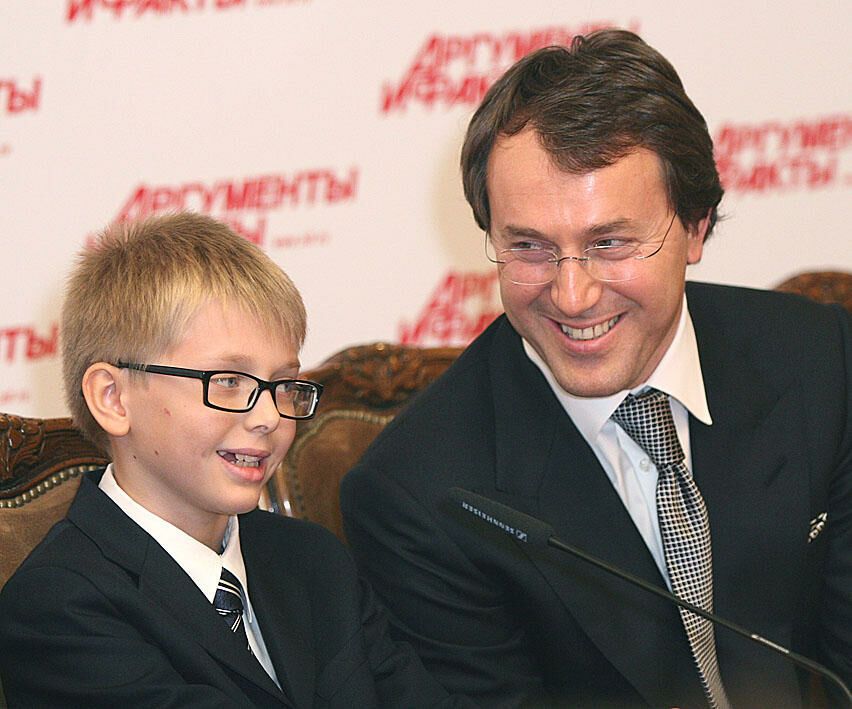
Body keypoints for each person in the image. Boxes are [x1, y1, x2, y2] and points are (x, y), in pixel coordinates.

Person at [340, 29, 852, 708]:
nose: (572, 295)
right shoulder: (419, 496)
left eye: (609, 243)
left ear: (695, 226)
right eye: (529, 247)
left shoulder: (817, 358)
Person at [0, 212, 469, 708]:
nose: (269, 416)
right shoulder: (61, 607)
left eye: (283, 384)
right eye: (227, 382)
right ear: (113, 398)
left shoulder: (312, 559)